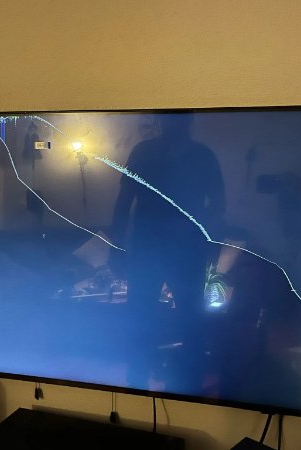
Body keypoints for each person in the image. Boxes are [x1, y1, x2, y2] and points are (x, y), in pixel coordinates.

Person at [110, 112, 225, 392]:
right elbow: (124, 201)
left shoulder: (152, 152)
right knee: (155, 317)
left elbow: (124, 202)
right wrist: (116, 248)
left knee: (184, 319)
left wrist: (209, 242)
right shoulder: (197, 155)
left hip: (170, 250)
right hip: (159, 250)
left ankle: (181, 384)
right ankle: (146, 381)